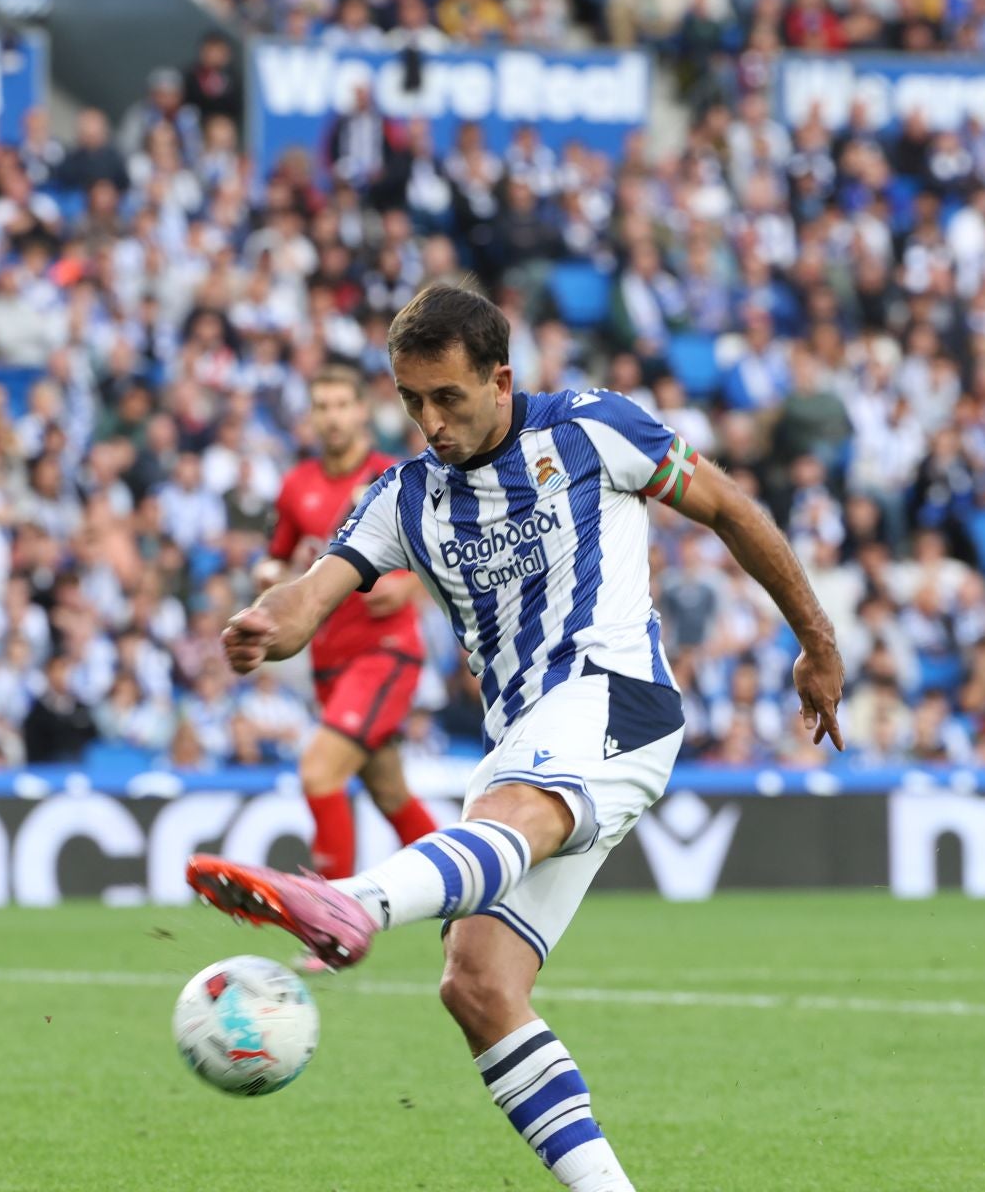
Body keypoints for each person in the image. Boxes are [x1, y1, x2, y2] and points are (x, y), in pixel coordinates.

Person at [189, 283, 845, 1192]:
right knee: (478, 986)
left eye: (447, 397)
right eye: (412, 401)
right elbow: (313, 593)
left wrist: (818, 644)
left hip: (615, 699)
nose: (430, 421)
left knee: (512, 814)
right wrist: (266, 621)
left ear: (499, 379)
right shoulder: (405, 495)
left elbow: (729, 507)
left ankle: (358, 903)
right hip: (525, 738)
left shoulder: (591, 430)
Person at [258, 365, 439, 885]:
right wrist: (268, 575)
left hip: (385, 651)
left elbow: (448, 548)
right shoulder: (297, 486)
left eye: (342, 404)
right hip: (328, 660)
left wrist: (407, 586)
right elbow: (279, 560)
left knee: (318, 772)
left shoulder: (395, 475)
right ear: (311, 416)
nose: (333, 417)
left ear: (362, 410)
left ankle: (328, 925)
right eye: (323, 406)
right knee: (390, 794)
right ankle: (477, 901)